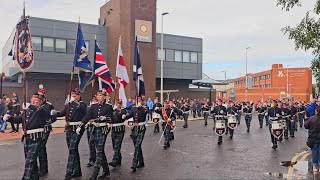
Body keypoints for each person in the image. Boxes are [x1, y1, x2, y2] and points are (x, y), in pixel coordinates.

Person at [51, 88, 87, 180]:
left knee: (72, 148)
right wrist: (55, 113)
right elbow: (63, 113)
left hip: (78, 128)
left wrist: (73, 102)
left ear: (79, 96)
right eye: (72, 96)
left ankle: (69, 172)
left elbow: (83, 110)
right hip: (69, 128)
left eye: (75, 96)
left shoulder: (82, 104)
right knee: (73, 150)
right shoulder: (69, 104)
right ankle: (77, 171)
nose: (73, 97)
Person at [78, 89, 114, 180]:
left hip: (103, 130)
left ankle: (94, 175)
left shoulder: (108, 107)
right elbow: (87, 116)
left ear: (105, 97)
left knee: (99, 152)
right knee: (99, 151)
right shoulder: (93, 106)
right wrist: (81, 125)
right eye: (98, 95)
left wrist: (105, 118)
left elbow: (112, 119)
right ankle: (106, 170)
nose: (99, 97)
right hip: (94, 129)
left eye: (101, 95)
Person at [21, 91, 48, 180]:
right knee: (31, 162)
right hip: (27, 138)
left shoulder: (42, 109)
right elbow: (19, 119)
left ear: (40, 101)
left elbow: (41, 111)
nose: (33, 100)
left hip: (37, 138)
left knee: (30, 161)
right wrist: (9, 118)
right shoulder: (28, 110)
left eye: (35, 99)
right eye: (32, 99)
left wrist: (30, 106)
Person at [125, 97, 147, 172]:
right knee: (137, 146)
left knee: (137, 145)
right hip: (134, 128)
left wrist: (140, 107)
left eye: (140, 100)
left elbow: (145, 112)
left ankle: (134, 163)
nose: (138, 101)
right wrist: (125, 116)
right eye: (137, 100)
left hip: (141, 128)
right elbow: (130, 115)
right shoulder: (133, 108)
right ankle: (141, 162)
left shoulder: (144, 108)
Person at [37, 89, 56, 177]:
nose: (40, 100)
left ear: (44, 97)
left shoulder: (49, 106)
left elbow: (54, 117)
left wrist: (49, 121)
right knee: (40, 148)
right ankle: (42, 167)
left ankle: (43, 169)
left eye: (41, 98)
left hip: (45, 128)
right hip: (38, 129)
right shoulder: (36, 105)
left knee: (41, 147)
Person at [109, 99, 127, 168]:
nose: (118, 104)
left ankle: (114, 161)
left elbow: (124, 114)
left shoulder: (122, 110)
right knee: (114, 146)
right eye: (117, 103)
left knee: (117, 146)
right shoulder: (113, 110)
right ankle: (119, 159)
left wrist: (124, 116)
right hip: (114, 130)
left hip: (120, 130)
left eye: (119, 103)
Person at [304, 106, 320, 174]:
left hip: (313, 138)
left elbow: (306, 126)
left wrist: (306, 120)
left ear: (316, 111)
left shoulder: (312, 118)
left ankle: (315, 166)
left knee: (315, 152)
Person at [86, 96, 97, 167]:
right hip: (89, 127)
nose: (94, 100)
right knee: (90, 144)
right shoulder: (87, 108)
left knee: (94, 143)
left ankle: (96, 159)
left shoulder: (98, 107)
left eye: (95, 99)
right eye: (93, 99)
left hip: (96, 127)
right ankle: (92, 158)